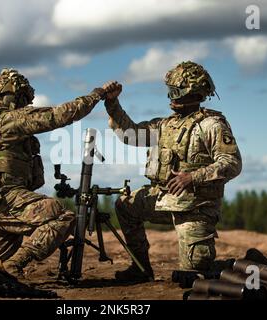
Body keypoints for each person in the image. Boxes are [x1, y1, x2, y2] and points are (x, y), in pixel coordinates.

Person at [0, 68, 119, 279]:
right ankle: (14, 263)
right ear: (16, 97)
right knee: (62, 216)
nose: (27, 104)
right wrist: (98, 94)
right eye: (25, 99)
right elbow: (60, 115)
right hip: (6, 200)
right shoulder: (10, 119)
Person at [102, 61, 242, 282]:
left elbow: (232, 162)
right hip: (163, 198)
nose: (171, 97)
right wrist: (113, 103)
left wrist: (193, 177)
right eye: (170, 91)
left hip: (196, 207)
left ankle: (246, 265)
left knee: (193, 275)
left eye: (176, 91)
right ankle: (140, 267)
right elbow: (131, 134)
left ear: (193, 92)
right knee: (125, 204)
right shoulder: (165, 125)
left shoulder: (212, 125)